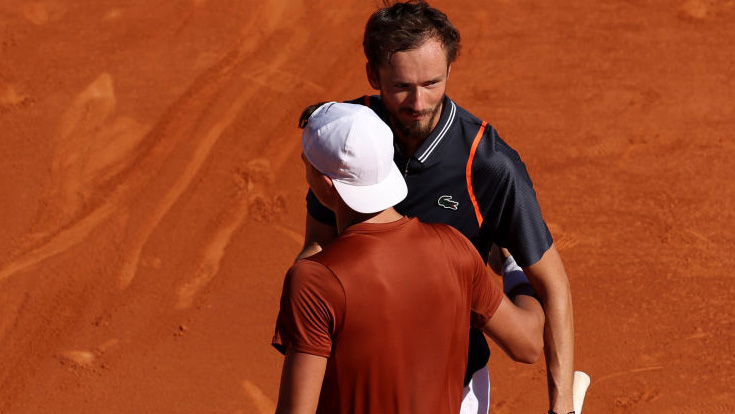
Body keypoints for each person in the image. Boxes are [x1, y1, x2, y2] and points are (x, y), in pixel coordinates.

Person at [297, 2, 576, 414]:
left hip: (454, 384)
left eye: (431, 83)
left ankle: (508, 260)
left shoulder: (488, 166)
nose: (418, 102)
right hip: (360, 378)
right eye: (401, 86)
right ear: (373, 75)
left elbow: (553, 288)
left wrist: (563, 407)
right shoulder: (349, 141)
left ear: (449, 71)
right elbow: (320, 245)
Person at [273, 102, 545, 414]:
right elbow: (527, 343)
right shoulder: (455, 249)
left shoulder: (313, 281)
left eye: (306, 165)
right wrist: (513, 267)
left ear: (325, 185)